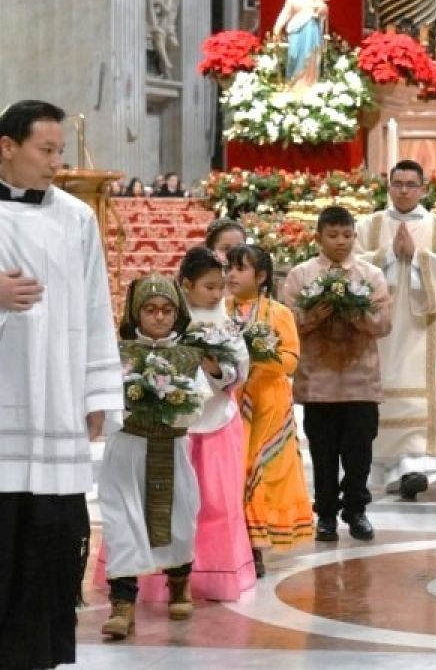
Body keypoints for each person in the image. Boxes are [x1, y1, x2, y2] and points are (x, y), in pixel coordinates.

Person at [0, 100, 124, 667]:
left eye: (59, 152)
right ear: (8, 147)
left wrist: (96, 393)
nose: (56, 163)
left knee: (50, 536)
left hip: (54, 402)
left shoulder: (75, 217)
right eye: (45, 151)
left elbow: (97, 307)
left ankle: (39, 652)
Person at [136, 249, 256, 599]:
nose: (217, 294)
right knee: (167, 503)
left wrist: (214, 367)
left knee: (217, 504)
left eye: (221, 287)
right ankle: (166, 581)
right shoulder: (166, 321)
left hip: (218, 424)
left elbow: (239, 370)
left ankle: (213, 575)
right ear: (185, 285)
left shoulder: (226, 322)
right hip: (173, 429)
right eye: (208, 287)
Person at [98, 274, 212, 638]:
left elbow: (201, 401)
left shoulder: (190, 355)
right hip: (127, 449)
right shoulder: (117, 351)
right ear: (136, 313)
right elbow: (104, 395)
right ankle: (123, 604)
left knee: (180, 517)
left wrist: (173, 406)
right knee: (121, 522)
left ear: (177, 313)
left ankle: (179, 583)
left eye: (166, 310)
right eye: (150, 309)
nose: (159, 317)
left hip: (172, 446)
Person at [356, 161, 436, 500]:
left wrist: (418, 258)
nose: (403, 190)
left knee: (419, 391)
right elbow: (353, 265)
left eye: (410, 184)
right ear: (388, 186)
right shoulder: (369, 226)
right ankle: (383, 466)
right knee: (381, 392)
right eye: (398, 183)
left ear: (422, 188)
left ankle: (413, 467)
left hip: (424, 325)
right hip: (379, 329)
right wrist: (390, 254)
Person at [282, 206, 391, 542]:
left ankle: (356, 510)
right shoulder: (301, 276)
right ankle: (326, 514)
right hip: (319, 382)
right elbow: (287, 324)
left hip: (361, 381)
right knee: (324, 452)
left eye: (347, 235)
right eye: (333, 235)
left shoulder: (370, 275)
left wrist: (357, 315)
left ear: (355, 237)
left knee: (360, 452)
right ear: (318, 237)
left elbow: (384, 324)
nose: (341, 242)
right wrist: (315, 315)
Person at [226, 245, 313, 563]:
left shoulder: (279, 313)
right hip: (233, 402)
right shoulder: (223, 309)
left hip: (269, 404)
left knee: (263, 467)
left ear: (261, 276)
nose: (231, 274)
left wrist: (263, 355)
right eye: (229, 268)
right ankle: (235, 541)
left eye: (240, 268)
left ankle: (257, 545)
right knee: (234, 468)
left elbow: (290, 359)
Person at [273, 0, 324, 89]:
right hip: (297, 31)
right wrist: (277, 28)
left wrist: (321, 8)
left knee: (311, 57)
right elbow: (285, 12)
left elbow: (324, 11)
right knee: (294, 55)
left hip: (312, 30)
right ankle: (294, 84)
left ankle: (309, 84)